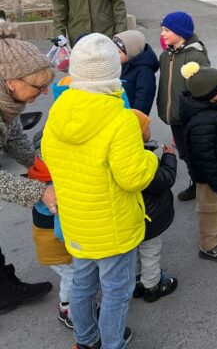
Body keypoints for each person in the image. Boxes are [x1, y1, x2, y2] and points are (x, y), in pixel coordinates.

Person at [42, 33, 159, 349]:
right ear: (113, 72)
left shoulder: (60, 109)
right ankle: (112, 343)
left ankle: (85, 340)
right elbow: (134, 177)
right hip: (112, 228)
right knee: (116, 292)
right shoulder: (119, 119)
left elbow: (49, 156)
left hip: (76, 223)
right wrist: (151, 157)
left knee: (83, 286)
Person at [0, 20, 57, 315]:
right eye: (39, 86)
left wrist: (40, 165)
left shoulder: (6, 102)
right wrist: (39, 191)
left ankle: (4, 288)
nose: (45, 93)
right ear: (12, 81)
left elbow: (14, 139)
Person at [178, 62, 217, 262]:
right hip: (209, 175)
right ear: (209, 92)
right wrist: (214, 177)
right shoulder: (202, 120)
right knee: (209, 209)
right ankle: (208, 243)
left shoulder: (212, 108)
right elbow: (202, 154)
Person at [156, 11, 210, 201]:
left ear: (180, 32)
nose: (162, 34)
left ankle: (205, 186)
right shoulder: (166, 56)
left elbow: (205, 87)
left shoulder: (196, 56)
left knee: (197, 153)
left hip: (191, 116)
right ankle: (197, 181)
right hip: (174, 116)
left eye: (167, 30)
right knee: (185, 153)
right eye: (162, 29)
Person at [129, 110, 179, 303]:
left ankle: (136, 283)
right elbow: (164, 180)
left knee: (134, 252)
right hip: (150, 217)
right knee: (150, 253)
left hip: (131, 217)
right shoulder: (142, 162)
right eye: (147, 127)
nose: (150, 129)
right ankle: (152, 286)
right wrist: (169, 158)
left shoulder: (121, 156)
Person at [27, 153, 73, 328]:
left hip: (46, 243)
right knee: (74, 277)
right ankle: (69, 311)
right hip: (55, 246)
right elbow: (61, 232)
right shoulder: (55, 195)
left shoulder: (41, 187)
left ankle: (67, 306)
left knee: (70, 275)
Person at [113, 30, 159, 115]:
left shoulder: (144, 72)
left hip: (131, 118)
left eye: (119, 52)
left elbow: (144, 99)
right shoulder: (118, 65)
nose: (114, 54)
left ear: (131, 52)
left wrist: (137, 118)